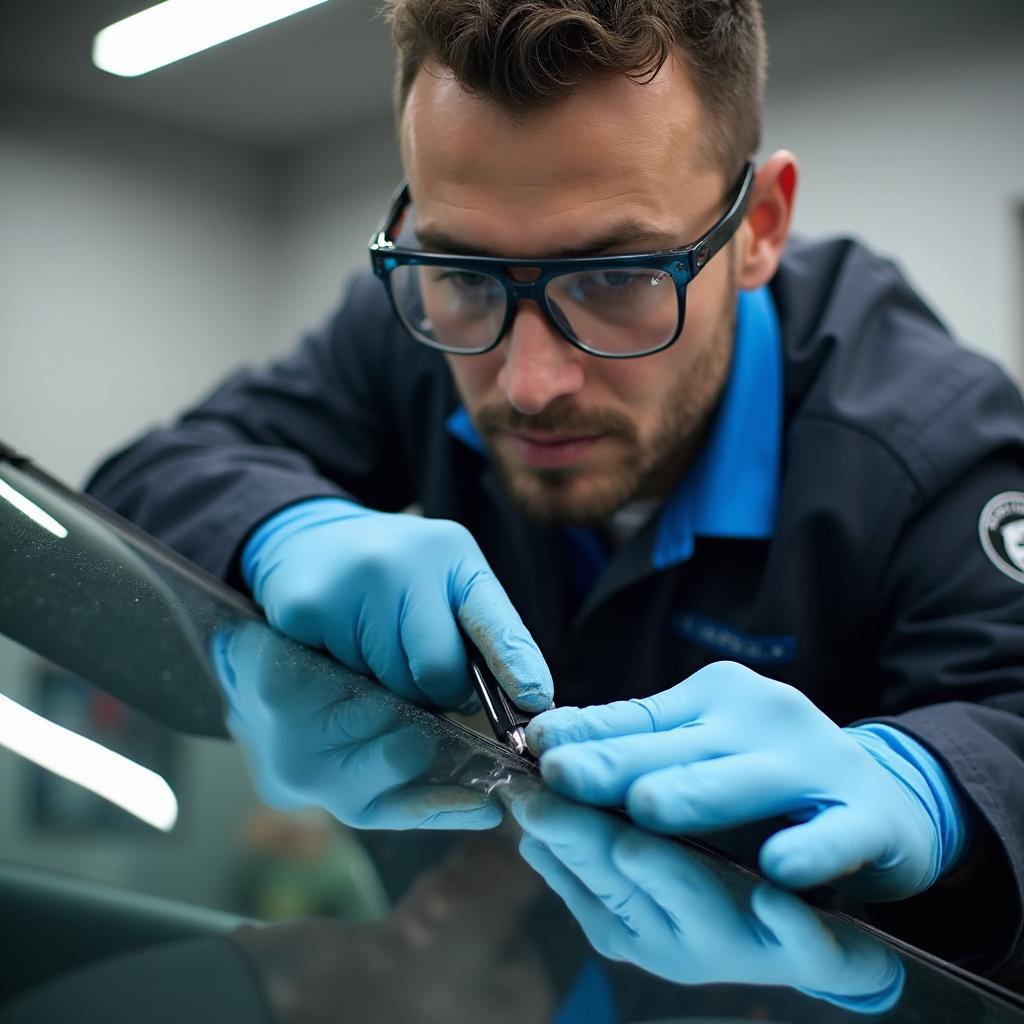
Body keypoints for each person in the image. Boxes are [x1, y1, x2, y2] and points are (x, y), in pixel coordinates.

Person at [86, 0, 1024, 985]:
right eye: (468, 273)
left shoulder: (927, 441)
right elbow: (156, 471)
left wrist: (937, 790)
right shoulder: (419, 321)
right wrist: (285, 529)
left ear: (757, 228)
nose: (529, 384)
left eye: (616, 277)